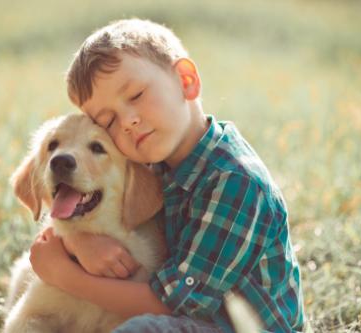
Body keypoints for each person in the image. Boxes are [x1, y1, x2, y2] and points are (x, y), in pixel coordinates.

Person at [29, 18, 304, 332]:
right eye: (108, 121)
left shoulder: (235, 182)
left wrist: (66, 277)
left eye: (135, 96)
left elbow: (171, 303)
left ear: (185, 80)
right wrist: (80, 242)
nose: (128, 121)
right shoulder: (154, 162)